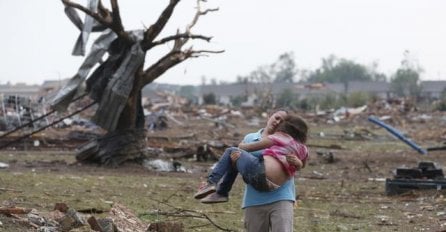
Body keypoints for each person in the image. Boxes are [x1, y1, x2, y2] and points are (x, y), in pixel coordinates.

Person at [194, 113, 308, 211]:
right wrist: (299, 163)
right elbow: (302, 165)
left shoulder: (279, 137)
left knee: (231, 152)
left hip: (261, 175)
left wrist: (241, 148)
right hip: (273, 186)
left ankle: (212, 184)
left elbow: (246, 148)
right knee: (236, 159)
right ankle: (221, 193)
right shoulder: (303, 148)